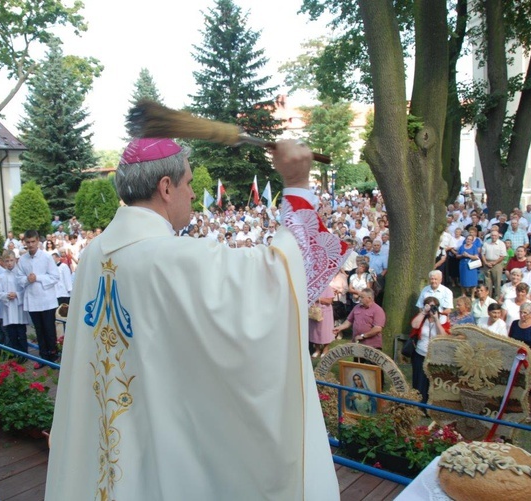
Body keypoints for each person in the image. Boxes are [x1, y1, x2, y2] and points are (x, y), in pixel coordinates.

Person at [46, 139, 344, 500]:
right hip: (165, 455)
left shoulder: (94, 254)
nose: (191, 193)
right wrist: (296, 183)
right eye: (187, 183)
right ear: (166, 188)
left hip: (108, 454)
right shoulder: (175, 259)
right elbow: (282, 279)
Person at [17, 229, 60, 366]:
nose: (30, 245)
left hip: (46, 299)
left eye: (33, 242)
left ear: (38, 242)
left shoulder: (46, 257)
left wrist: (38, 278)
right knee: (39, 329)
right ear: (25, 242)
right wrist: (27, 280)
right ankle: (43, 355)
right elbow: (18, 278)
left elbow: (55, 276)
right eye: (28, 242)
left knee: (49, 328)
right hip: (33, 300)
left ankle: (53, 355)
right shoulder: (23, 260)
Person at [411, 296, 450, 404]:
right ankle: (418, 403)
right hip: (420, 353)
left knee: (432, 381)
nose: (431, 308)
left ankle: (430, 405)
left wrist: (436, 319)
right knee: (419, 380)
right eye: (429, 306)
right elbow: (414, 325)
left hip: (435, 355)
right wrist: (424, 312)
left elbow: (444, 336)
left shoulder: (443, 318)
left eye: (434, 306)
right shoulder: (422, 317)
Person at [0, 251, 30, 361]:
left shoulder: (19, 274)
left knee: (21, 333)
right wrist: (6, 295)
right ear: (3, 262)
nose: (9, 263)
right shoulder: (1, 276)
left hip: (19, 308)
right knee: (12, 334)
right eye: (7, 261)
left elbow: (26, 290)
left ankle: (24, 354)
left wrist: (17, 295)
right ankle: (17, 353)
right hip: (8, 309)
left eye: (11, 260)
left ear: (15, 260)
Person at [508, 302, 531, 414]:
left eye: (525, 313)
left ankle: (528, 410)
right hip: (515, 359)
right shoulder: (514, 324)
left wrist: (528, 351)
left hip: (530, 360)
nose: (522, 315)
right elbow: (509, 339)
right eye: (521, 312)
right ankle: (512, 407)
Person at [309, 282, 335, 358]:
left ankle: (325, 349)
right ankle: (317, 349)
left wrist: (318, 299)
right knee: (314, 331)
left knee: (325, 331)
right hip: (313, 312)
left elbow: (329, 301)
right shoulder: (311, 287)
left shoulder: (327, 287)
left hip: (325, 312)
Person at [481, 228, 507, 299]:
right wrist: (486, 263)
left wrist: (495, 262)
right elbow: (482, 254)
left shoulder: (501, 244)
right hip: (487, 263)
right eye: (492, 235)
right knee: (487, 282)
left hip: (497, 264)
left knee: (497, 282)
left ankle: (497, 298)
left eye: (495, 235)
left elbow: (503, 255)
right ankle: (488, 297)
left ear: (498, 236)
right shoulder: (486, 243)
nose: (494, 237)